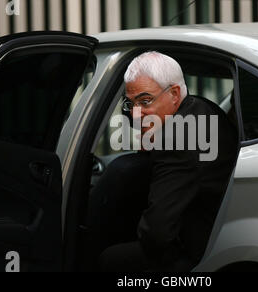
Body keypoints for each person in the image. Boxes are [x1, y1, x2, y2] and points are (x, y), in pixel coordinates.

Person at [87, 51, 239, 272]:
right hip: (218, 235)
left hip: (194, 253)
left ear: (175, 94)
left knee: (109, 259)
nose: (137, 115)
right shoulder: (206, 110)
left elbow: (157, 235)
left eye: (145, 101)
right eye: (131, 104)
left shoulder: (175, 140)